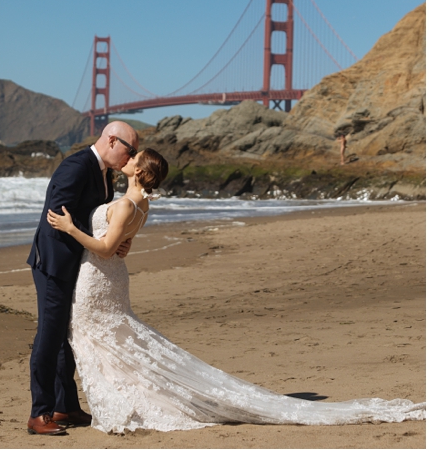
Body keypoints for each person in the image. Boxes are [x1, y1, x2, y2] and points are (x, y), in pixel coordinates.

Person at [48, 148, 425, 433]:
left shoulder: (130, 203)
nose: (128, 159)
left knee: (100, 338)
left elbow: (105, 247)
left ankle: (126, 400)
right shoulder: (142, 204)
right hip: (109, 279)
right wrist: (114, 240)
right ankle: (121, 396)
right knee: (113, 342)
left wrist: (70, 229)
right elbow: (119, 242)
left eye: (135, 159)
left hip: (101, 277)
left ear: (141, 171)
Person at [25, 120, 138, 435]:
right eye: (131, 151)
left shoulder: (104, 173)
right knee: (49, 337)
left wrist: (115, 242)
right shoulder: (76, 166)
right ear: (112, 141)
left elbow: (94, 218)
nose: (132, 158)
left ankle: (65, 407)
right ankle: (39, 414)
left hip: (79, 263)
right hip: (54, 263)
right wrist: (98, 243)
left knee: (66, 336)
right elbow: (56, 219)